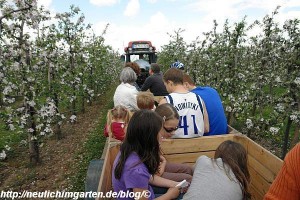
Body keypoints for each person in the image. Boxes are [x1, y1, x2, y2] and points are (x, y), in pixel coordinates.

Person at [112, 110, 181, 200]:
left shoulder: (128, 151)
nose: (162, 138)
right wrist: (170, 195)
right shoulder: (136, 169)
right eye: (159, 134)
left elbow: (146, 177)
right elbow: (140, 175)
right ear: (148, 137)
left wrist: (174, 184)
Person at [183, 140, 251, 200]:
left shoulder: (203, 160)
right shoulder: (240, 186)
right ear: (242, 161)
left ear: (218, 153)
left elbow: (193, 173)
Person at [159, 68, 209, 138]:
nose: (166, 88)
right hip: (199, 146)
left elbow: (158, 130)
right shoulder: (199, 98)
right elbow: (206, 128)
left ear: (170, 83)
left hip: (174, 145)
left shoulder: (166, 101)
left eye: (165, 85)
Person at [155, 103, 194, 183]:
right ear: (158, 124)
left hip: (156, 167)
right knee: (188, 179)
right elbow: (156, 173)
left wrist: (163, 162)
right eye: (169, 129)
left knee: (189, 169)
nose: (173, 133)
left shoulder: (158, 137)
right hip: (151, 176)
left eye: (176, 128)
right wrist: (164, 162)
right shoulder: (150, 138)